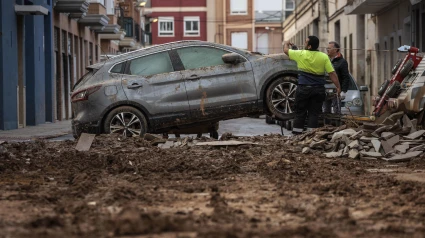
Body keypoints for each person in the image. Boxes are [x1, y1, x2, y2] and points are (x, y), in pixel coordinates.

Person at [283, 36, 341, 135]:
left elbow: (285, 50)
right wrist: (338, 87)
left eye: (306, 42)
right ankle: (310, 136)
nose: (304, 44)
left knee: (300, 113)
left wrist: (286, 43)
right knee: (314, 114)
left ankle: (297, 136)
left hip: (303, 89)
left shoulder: (301, 54)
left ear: (309, 46)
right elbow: (332, 73)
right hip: (318, 90)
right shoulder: (323, 56)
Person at [323, 41, 350, 115]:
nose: (327, 50)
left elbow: (345, 77)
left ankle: (336, 125)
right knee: (325, 111)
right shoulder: (326, 60)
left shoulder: (342, 62)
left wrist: (344, 91)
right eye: (327, 48)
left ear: (335, 50)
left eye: (329, 48)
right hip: (325, 90)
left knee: (336, 111)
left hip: (336, 91)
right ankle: (327, 125)